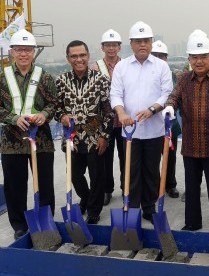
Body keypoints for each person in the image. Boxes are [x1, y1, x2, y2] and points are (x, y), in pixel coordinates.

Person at [163, 31, 209, 231]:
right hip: (190, 146)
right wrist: (169, 107)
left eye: (203, 57)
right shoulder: (184, 79)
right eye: (194, 57)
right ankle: (192, 223)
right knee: (192, 187)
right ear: (189, 59)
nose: (199, 61)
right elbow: (174, 97)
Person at [0, 29, 58, 240]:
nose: (24, 54)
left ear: (33, 52)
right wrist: (13, 118)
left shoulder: (44, 77)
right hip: (12, 142)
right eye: (19, 50)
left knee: (45, 184)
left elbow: (53, 103)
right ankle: (19, 224)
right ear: (12, 52)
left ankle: (46, 221)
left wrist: (44, 115)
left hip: (41, 141)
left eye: (28, 50)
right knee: (15, 186)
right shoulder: (2, 77)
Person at [110, 21, 172, 224]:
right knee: (131, 171)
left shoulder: (161, 66)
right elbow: (116, 94)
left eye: (146, 40)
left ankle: (149, 208)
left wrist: (152, 109)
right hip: (130, 132)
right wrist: (120, 113)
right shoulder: (121, 67)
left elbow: (167, 94)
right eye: (138, 41)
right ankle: (132, 208)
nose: (142, 44)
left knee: (151, 172)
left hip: (154, 130)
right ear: (131, 44)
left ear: (152, 42)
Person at [55, 40, 114, 224]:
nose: (78, 59)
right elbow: (56, 107)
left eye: (82, 55)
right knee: (74, 174)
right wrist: (62, 116)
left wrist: (105, 136)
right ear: (68, 58)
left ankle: (94, 210)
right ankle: (86, 198)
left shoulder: (101, 80)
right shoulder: (61, 81)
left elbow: (108, 111)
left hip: (95, 138)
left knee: (97, 177)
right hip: (71, 139)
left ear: (88, 56)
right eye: (74, 56)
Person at [90, 29, 124, 206]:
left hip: (124, 119)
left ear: (120, 47)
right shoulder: (95, 67)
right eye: (108, 45)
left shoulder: (126, 65)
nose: (111, 48)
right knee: (104, 157)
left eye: (114, 45)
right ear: (102, 47)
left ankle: (127, 188)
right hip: (104, 121)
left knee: (126, 157)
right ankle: (107, 190)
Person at [151, 40, 181, 199]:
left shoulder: (173, 75)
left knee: (170, 155)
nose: (159, 58)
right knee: (153, 157)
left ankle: (171, 184)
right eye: (155, 55)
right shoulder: (145, 75)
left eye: (162, 56)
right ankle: (156, 185)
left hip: (170, 123)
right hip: (152, 123)